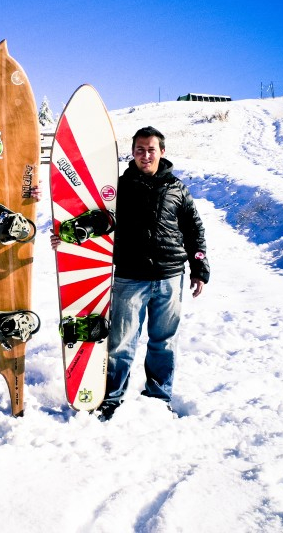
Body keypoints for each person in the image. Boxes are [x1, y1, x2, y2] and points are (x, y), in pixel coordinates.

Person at [51, 125, 209, 421]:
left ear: (162, 152)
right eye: (139, 150)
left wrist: (199, 268)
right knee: (122, 342)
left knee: (163, 341)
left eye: (151, 149)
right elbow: (95, 219)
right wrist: (67, 238)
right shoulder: (117, 188)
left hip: (170, 276)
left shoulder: (177, 188)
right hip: (129, 276)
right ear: (132, 153)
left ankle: (159, 396)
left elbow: (194, 229)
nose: (145, 155)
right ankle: (111, 398)